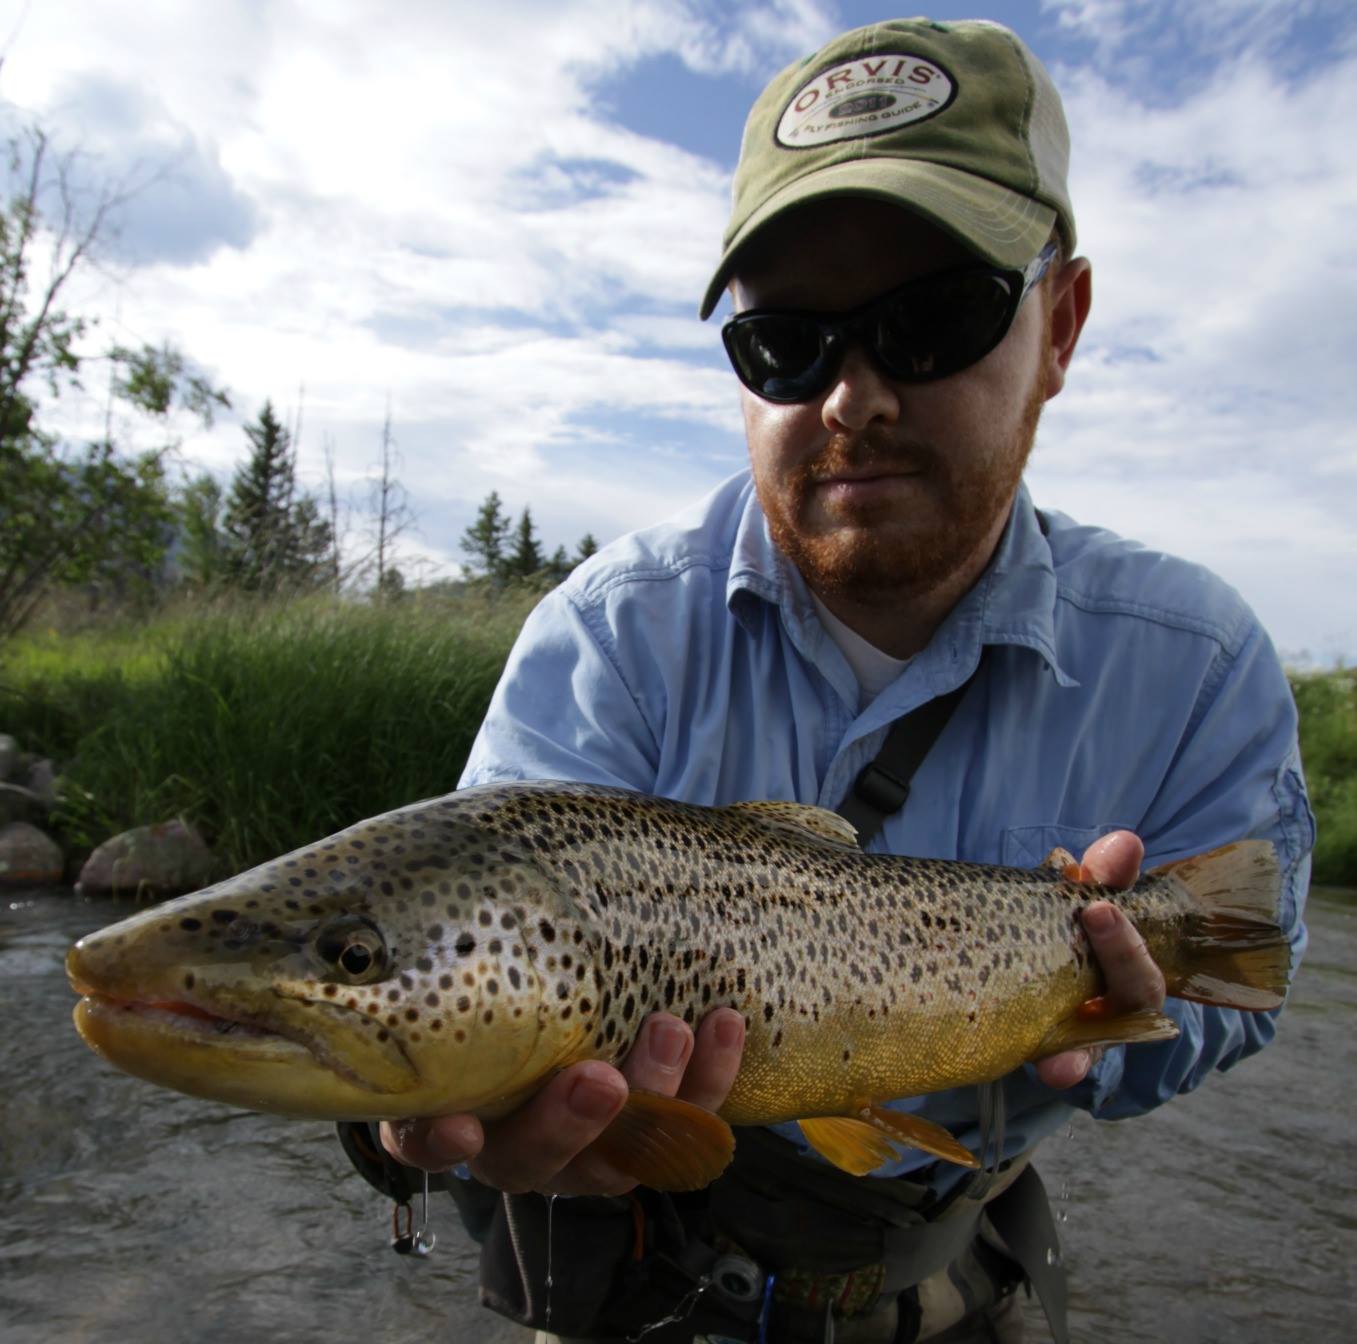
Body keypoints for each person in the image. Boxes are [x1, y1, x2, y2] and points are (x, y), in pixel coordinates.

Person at [356, 17, 1311, 1344]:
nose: (852, 397)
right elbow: (445, 961)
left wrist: (1112, 1033)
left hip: (956, 1275)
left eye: (928, 322)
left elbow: (1246, 981)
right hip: (642, 1290)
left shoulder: (1191, 665)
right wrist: (408, 1120)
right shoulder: (611, 637)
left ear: (1062, 324)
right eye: (787, 343)